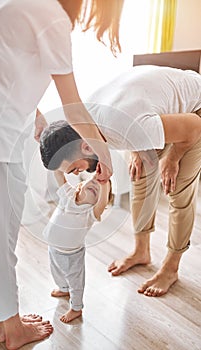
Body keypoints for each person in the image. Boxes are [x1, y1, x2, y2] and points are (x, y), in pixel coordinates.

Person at [0, 0, 124, 348]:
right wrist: (105, 154)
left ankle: (2, 321)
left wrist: (35, 112)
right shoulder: (50, 15)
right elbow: (73, 106)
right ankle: (11, 329)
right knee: (0, 241)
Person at [40, 65, 201, 298]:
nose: (77, 175)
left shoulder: (128, 128)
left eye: (75, 168)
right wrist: (136, 147)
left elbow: (193, 128)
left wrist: (173, 158)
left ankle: (170, 268)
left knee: (175, 188)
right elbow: (134, 117)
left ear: (86, 147)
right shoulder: (84, 123)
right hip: (149, 110)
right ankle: (141, 251)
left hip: (195, 112)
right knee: (140, 177)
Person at [43, 171, 112, 323]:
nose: (96, 184)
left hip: (72, 255)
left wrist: (104, 181)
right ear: (80, 185)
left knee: (75, 282)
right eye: (93, 179)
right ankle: (63, 289)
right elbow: (59, 175)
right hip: (53, 248)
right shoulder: (67, 194)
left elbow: (103, 201)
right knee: (57, 273)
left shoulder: (90, 213)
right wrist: (55, 156)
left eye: (99, 189)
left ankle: (76, 308)